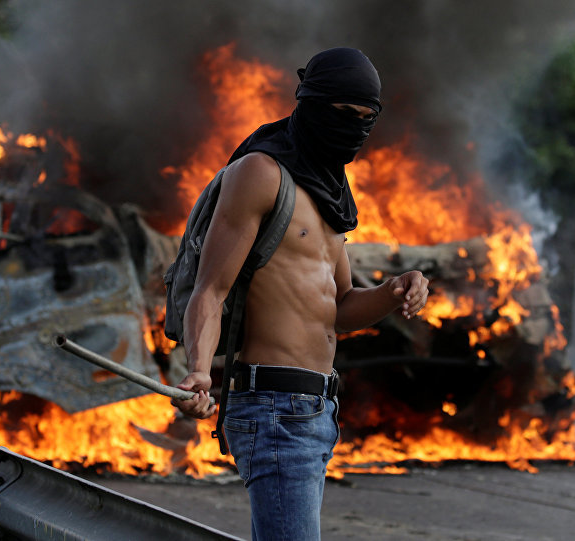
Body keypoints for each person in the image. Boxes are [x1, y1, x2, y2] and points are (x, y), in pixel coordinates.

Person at [172, 48, 429, 540]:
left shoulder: (330, 190)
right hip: (273, 408)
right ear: (311, 104)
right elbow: (210, 289)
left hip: (316, 410)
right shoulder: (261, 174)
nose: (353, 129)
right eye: (342, 115)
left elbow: (340, 310)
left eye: (364, 120)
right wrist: (200, 372)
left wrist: (395, 290)